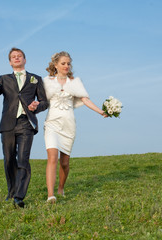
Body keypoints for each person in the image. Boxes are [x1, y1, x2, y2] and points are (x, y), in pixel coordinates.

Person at [0, 47, 48, 208]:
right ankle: (11, 191)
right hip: (8, 124)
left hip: (26, 124)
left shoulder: (35, 79)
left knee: (23, 159)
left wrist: (37, 105)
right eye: (13, 57)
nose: (16, 58)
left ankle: (19, 196)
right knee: (9, 159)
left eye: (19, 56)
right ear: (10, 62)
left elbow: (45, 102)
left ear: (24, 59)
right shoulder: (4, 78)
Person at [43, 51, 107, 203]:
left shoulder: (75, 82)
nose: (66, 66)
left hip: (68, 124)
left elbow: (85, 99)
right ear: (55, 65)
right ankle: (50, 195)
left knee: (64, 162)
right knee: (52, 157)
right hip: (52, 123)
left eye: (68, 63)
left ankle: (61, 188)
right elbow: (39, 98)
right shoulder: (47, 81)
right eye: (63, 63)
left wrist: (100, 111)